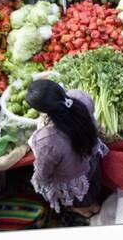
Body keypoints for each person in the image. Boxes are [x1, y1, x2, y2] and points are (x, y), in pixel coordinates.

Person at [26, 79, 109, 218]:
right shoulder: (79, 97)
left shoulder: (46, 139)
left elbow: (44, 171)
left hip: (74, 177)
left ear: (42, 110)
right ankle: (94, 206)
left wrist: (40, 181)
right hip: (91, 158)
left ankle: (88, 211)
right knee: (93, 184)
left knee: (82, 201)